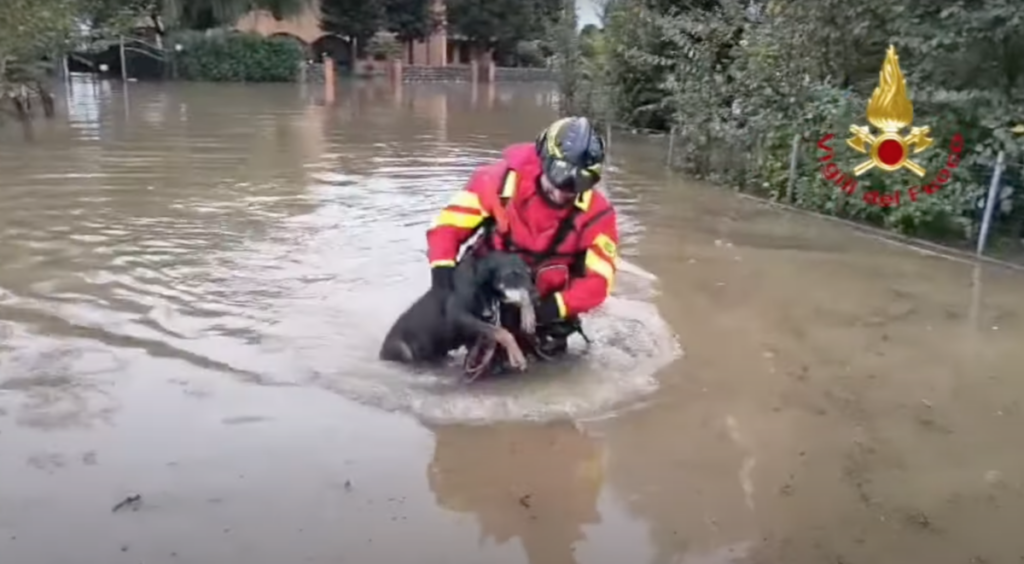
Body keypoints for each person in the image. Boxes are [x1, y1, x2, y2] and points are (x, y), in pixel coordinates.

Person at [426, 116, 618, 361]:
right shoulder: (497, 182)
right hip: (484, 289)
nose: (562, 191)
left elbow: (599, 283)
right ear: (543, 158)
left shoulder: (598, 215)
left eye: (579, 181)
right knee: (427, 348)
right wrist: (442, 282)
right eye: (559, 175)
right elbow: (447, 228)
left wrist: (550, 309)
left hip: (546, 306)